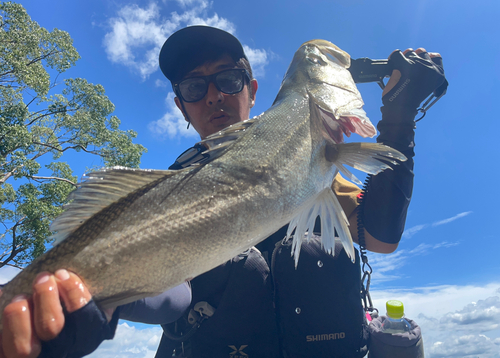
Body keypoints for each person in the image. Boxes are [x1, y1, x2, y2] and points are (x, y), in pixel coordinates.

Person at [0, 26, 445, 358]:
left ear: (253, 91)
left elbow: (381, 239)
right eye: (195, 87)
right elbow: (172, 295)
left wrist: (400, 119)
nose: (213, 96)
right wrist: (89, 304)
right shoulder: (172, 183)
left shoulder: (321, 165)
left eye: (229, 80)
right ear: (181, 106)